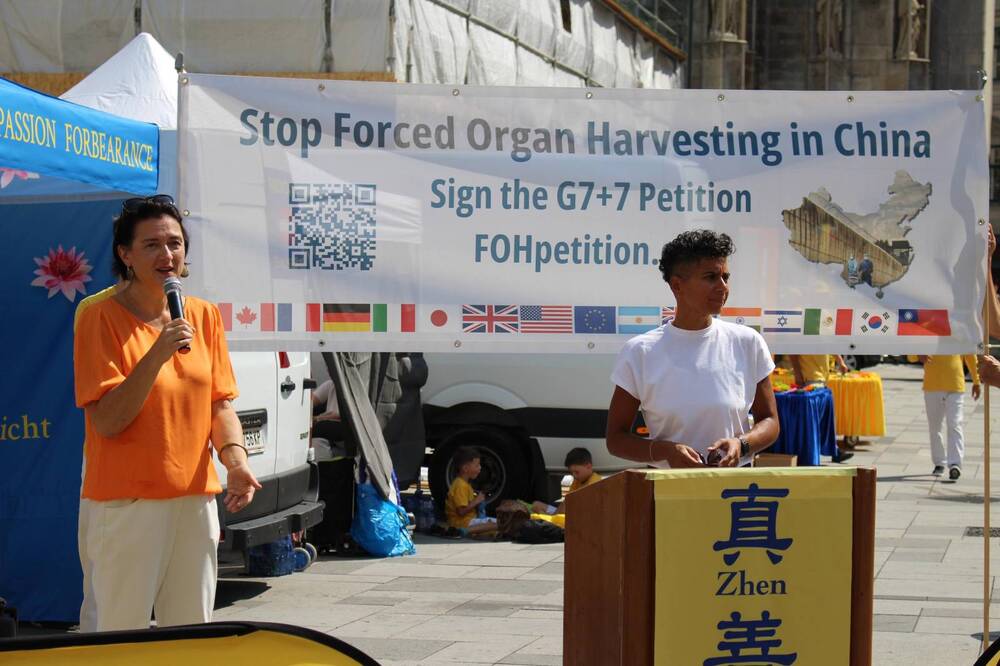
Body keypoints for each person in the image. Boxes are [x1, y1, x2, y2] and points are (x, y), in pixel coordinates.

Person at [73, 195, 261, 632]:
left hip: (195, 500)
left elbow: (220, 404)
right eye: (152, 244)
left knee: (192, 632)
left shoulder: (204, 316)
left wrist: (236, 462)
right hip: (128, 504)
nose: (167, 254)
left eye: (175, 243)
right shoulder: (99, 317)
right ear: (126, 254)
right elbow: (108, 420)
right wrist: (157, 353)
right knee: (121, 634)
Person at [606, 230, 780, 468]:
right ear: (677, 285)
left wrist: (741, 444)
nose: (723, 287)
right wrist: (667, 452)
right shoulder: (640, 352)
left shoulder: (747, 342)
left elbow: (770, 421)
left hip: (734, 488)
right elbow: (616, 439)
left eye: (725, 277)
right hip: (670, 488)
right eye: (711, 277)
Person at [914, 355, 980, 480]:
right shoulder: (927, 339)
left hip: (955, 385)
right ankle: (939, 463)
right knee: (935, 428)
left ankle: (955, 464)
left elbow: (970, 355)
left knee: (955, 424)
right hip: (932, 386)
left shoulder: (960, 340)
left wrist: (976, 380)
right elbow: (910, 355)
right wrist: (917, 355)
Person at [532, 447, 603, 515]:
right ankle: (550, 519)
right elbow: (566, 501)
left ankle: (549, 520)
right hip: (564, 514)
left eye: (577, 472)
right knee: (536, 505)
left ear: (588, 466)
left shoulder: (595, 483)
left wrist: (556, 514)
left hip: (577, 516)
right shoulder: (577, 481)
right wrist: (555, 514)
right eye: (572, 473)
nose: (574, 476)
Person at [445, 446, 497, 535]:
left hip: (467, 521)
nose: (480, 468)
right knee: (498, 524)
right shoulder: (460, 485)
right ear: (465, 468)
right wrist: (477, 501)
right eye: (477, 465)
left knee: (497, 524)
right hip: (461, 523)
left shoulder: (465, 484)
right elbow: (461, 512)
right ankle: (464, 531)